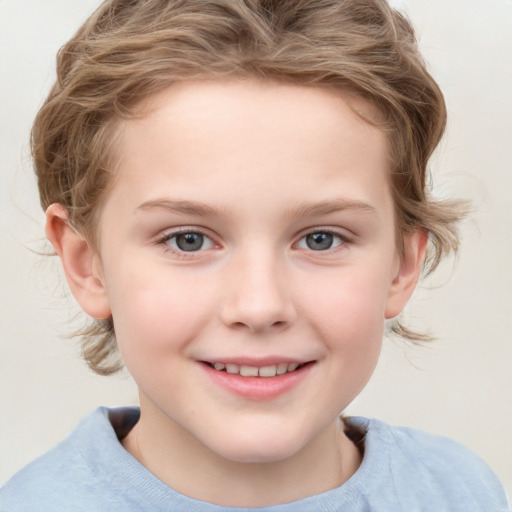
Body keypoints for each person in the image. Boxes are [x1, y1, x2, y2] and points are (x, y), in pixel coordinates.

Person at [0, 0, 508, 510]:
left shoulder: (460, 493)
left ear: (401, 264)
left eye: (320, 239)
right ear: (87, 263)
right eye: (188, 240)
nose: (260, 307)